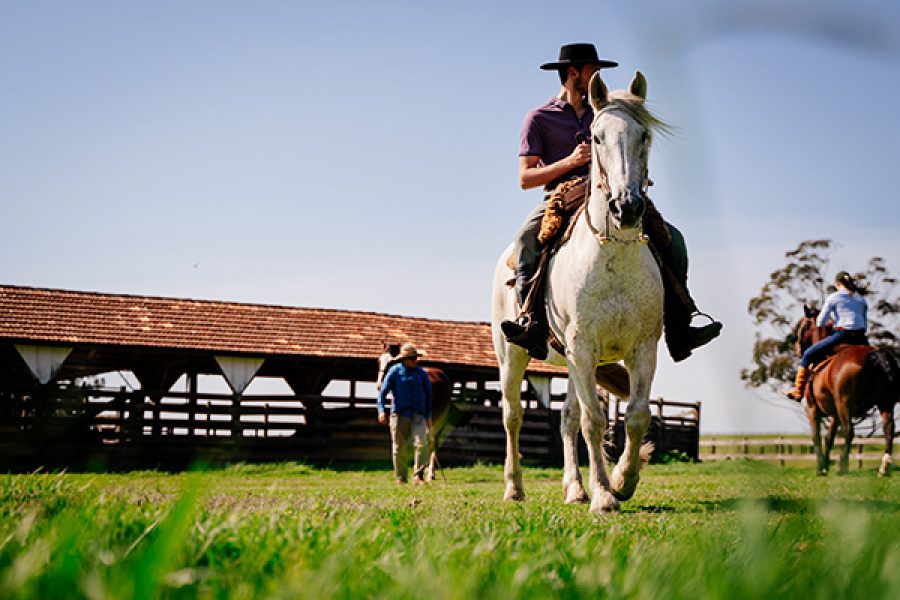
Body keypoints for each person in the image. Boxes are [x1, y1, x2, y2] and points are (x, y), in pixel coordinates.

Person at [500, 42, 722, 362]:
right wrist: (569, 161)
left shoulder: (606, 110)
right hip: (561, 197)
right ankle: (531, 321)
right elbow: (525, 178)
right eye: (593, 71)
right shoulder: (539, 118)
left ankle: (681, 324)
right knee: (525, 240)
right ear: (573, 73)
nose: (598, 77)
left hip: (611, 192)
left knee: (675, 241)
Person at [785, 271, 869, 401]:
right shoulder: (860, 299)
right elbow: (864, 323)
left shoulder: (834, 297)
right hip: (861, 338)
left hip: (843, 335)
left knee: (807, 354)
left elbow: (820, 322)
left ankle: (798, 392)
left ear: (838, 283)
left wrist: (832, 322)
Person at [377, 343, 433, 483]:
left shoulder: (421, 374)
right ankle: (401, 477)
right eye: (412, 358)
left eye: (415, 358)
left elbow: (429, 395)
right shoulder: (395, 372)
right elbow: (383, 392)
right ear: (405, 359)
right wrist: (381, 410)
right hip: (399, 414)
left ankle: (418, 475)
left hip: (418, 415)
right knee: (399, 447)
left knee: (422, 443)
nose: (415, 361)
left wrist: (429, 415)